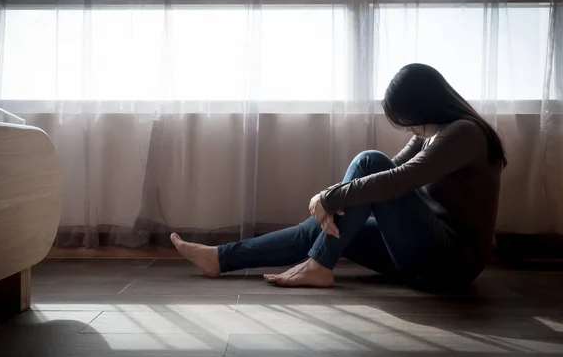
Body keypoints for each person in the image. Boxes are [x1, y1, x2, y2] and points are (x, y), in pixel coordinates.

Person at [170, 63, 506, 289]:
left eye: (408, 119)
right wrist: (334, 199)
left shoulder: (464, 133)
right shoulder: (430, 131)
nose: (409, 128)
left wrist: (329, 196)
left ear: (425, 106)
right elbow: (390, 169)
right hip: (424, 252)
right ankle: (221, 258)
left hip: (450, 263)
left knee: (366, 163)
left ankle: (319, 264)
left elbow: (397, 177)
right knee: (330, 223)